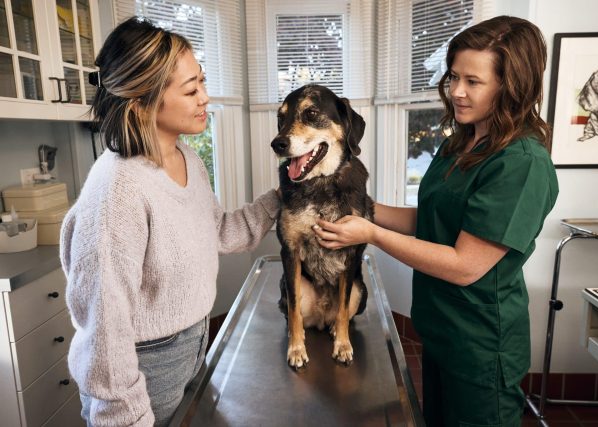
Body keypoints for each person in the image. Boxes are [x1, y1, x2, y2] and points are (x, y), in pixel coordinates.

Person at [313, 15, 558, 426]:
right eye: (454, 77)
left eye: (473, 82)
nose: (457, 92)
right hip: (443, 331)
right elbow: (431, 219)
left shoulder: (522, 163)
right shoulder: (461, 141)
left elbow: (465, 266)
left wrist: (370, 233)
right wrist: (359, 209)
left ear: (511, 84)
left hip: (481, 344)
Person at [60, 17, 280, 426]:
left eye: (204, 82)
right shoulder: (118, 190)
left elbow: (219, 231)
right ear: (142, 102)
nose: (205, 98)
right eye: (191, 89)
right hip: (142, 374)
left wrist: (283, 197)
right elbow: (105, 334)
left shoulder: (187, 159)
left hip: (194, 349)